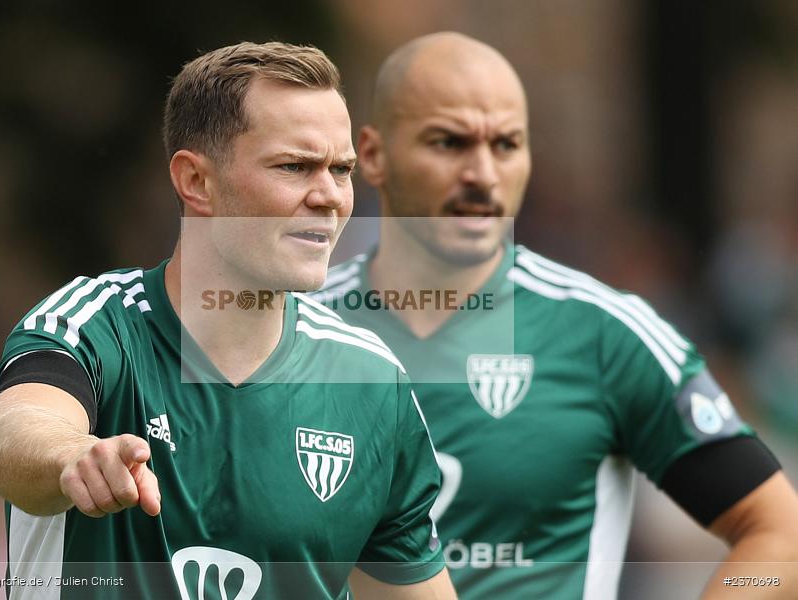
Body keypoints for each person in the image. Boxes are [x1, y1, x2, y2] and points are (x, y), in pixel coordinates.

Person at [313, 32, 798, 599]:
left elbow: (779, 537)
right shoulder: (292, 331)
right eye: (449, 142)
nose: (483, 174)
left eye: (507, 144)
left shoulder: (603, 334)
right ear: (371, 155)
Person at [0, 41, 458, 600]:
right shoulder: (92, 325)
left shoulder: (373, 383)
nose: (330, 196)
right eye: (295, 166)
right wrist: (71, 456)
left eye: (342, 170)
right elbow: (13, 436)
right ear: (197, 182)